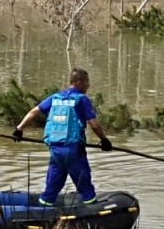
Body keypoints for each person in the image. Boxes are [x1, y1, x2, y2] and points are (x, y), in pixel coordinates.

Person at [13, 68, 113, 206]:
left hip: (55, 149)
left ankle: (44, 212)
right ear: (79, 82)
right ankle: (94, 215)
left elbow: (34, 112)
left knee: (53, 186)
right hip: (72, 150)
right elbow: (94, 124)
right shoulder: (82, 100)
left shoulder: (55, 98)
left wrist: (19, 129)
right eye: (87, 82)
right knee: (84, 184)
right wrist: (104, 140)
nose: (88, 86)